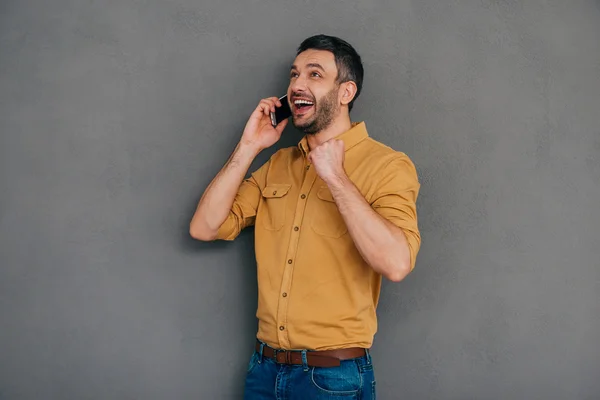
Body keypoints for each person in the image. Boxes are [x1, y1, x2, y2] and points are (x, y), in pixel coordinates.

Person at [189, 34, 421, 400]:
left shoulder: (388, 166)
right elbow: (205, 227)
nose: (297, 84)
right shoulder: (279, 164)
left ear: (345, 93)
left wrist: (336, 177)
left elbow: (396, 263)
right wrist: (249, 146)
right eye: (294, 75)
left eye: (314, 75)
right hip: (264, 372)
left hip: (332, 380)